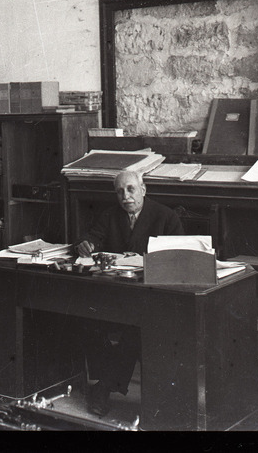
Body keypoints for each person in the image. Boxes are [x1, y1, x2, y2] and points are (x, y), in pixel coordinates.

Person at [76, 169, 183, 417]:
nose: (126, 196)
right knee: (86, 318)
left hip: (154, 294)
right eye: (120, 191)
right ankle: (104, 384)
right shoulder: (110, 215)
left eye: (131, 189)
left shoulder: (166, 217)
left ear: (143, 190)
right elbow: (92, 238)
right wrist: (86, 245)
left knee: (137, 330)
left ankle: (103, 387)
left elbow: (179, 257)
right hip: (116, 291)